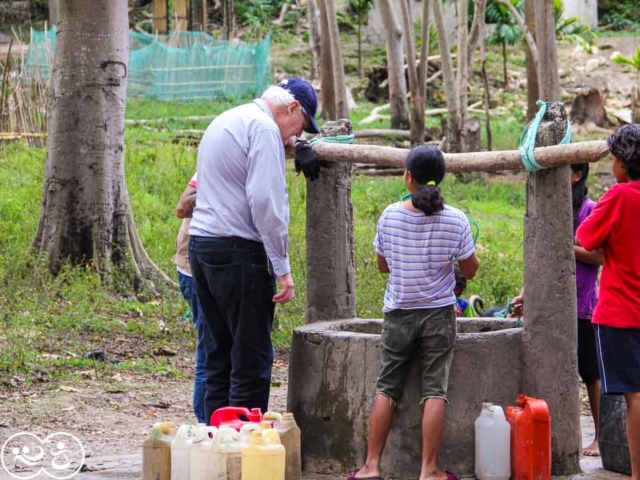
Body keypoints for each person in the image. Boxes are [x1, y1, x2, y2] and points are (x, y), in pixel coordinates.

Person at [188, 78, 321, 423]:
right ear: (292, 108)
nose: (295, 135)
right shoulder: (262, 130)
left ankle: (212, 441)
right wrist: (283, 269)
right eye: (301, 125)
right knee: (251, 358)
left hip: (202, 245)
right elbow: (266, 203)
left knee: (218, 354)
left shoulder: (230, 118)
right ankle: (243, 448)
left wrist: (297, 140)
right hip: (239, 252)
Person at [351, 146, 479, 480]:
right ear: (442, 179)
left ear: (408, 177)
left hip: (399, 314)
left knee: (387, 388)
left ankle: (371, 467)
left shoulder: (390, 215)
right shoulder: (456, 220)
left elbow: (382, 266)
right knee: (435, 390)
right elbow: (471, 269)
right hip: (439, 314)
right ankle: (429, 470)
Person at [576, 124, 640, 479]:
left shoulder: (618, 197)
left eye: (613, 159)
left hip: (622, 313)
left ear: (623, 164)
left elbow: (585, 237)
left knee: (635, 398)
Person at [172, 173, 206, 424]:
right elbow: (182, 208)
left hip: (212, 269)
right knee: (212, 348)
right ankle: (208, 424)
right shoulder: (216, 160)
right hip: (195, 272)